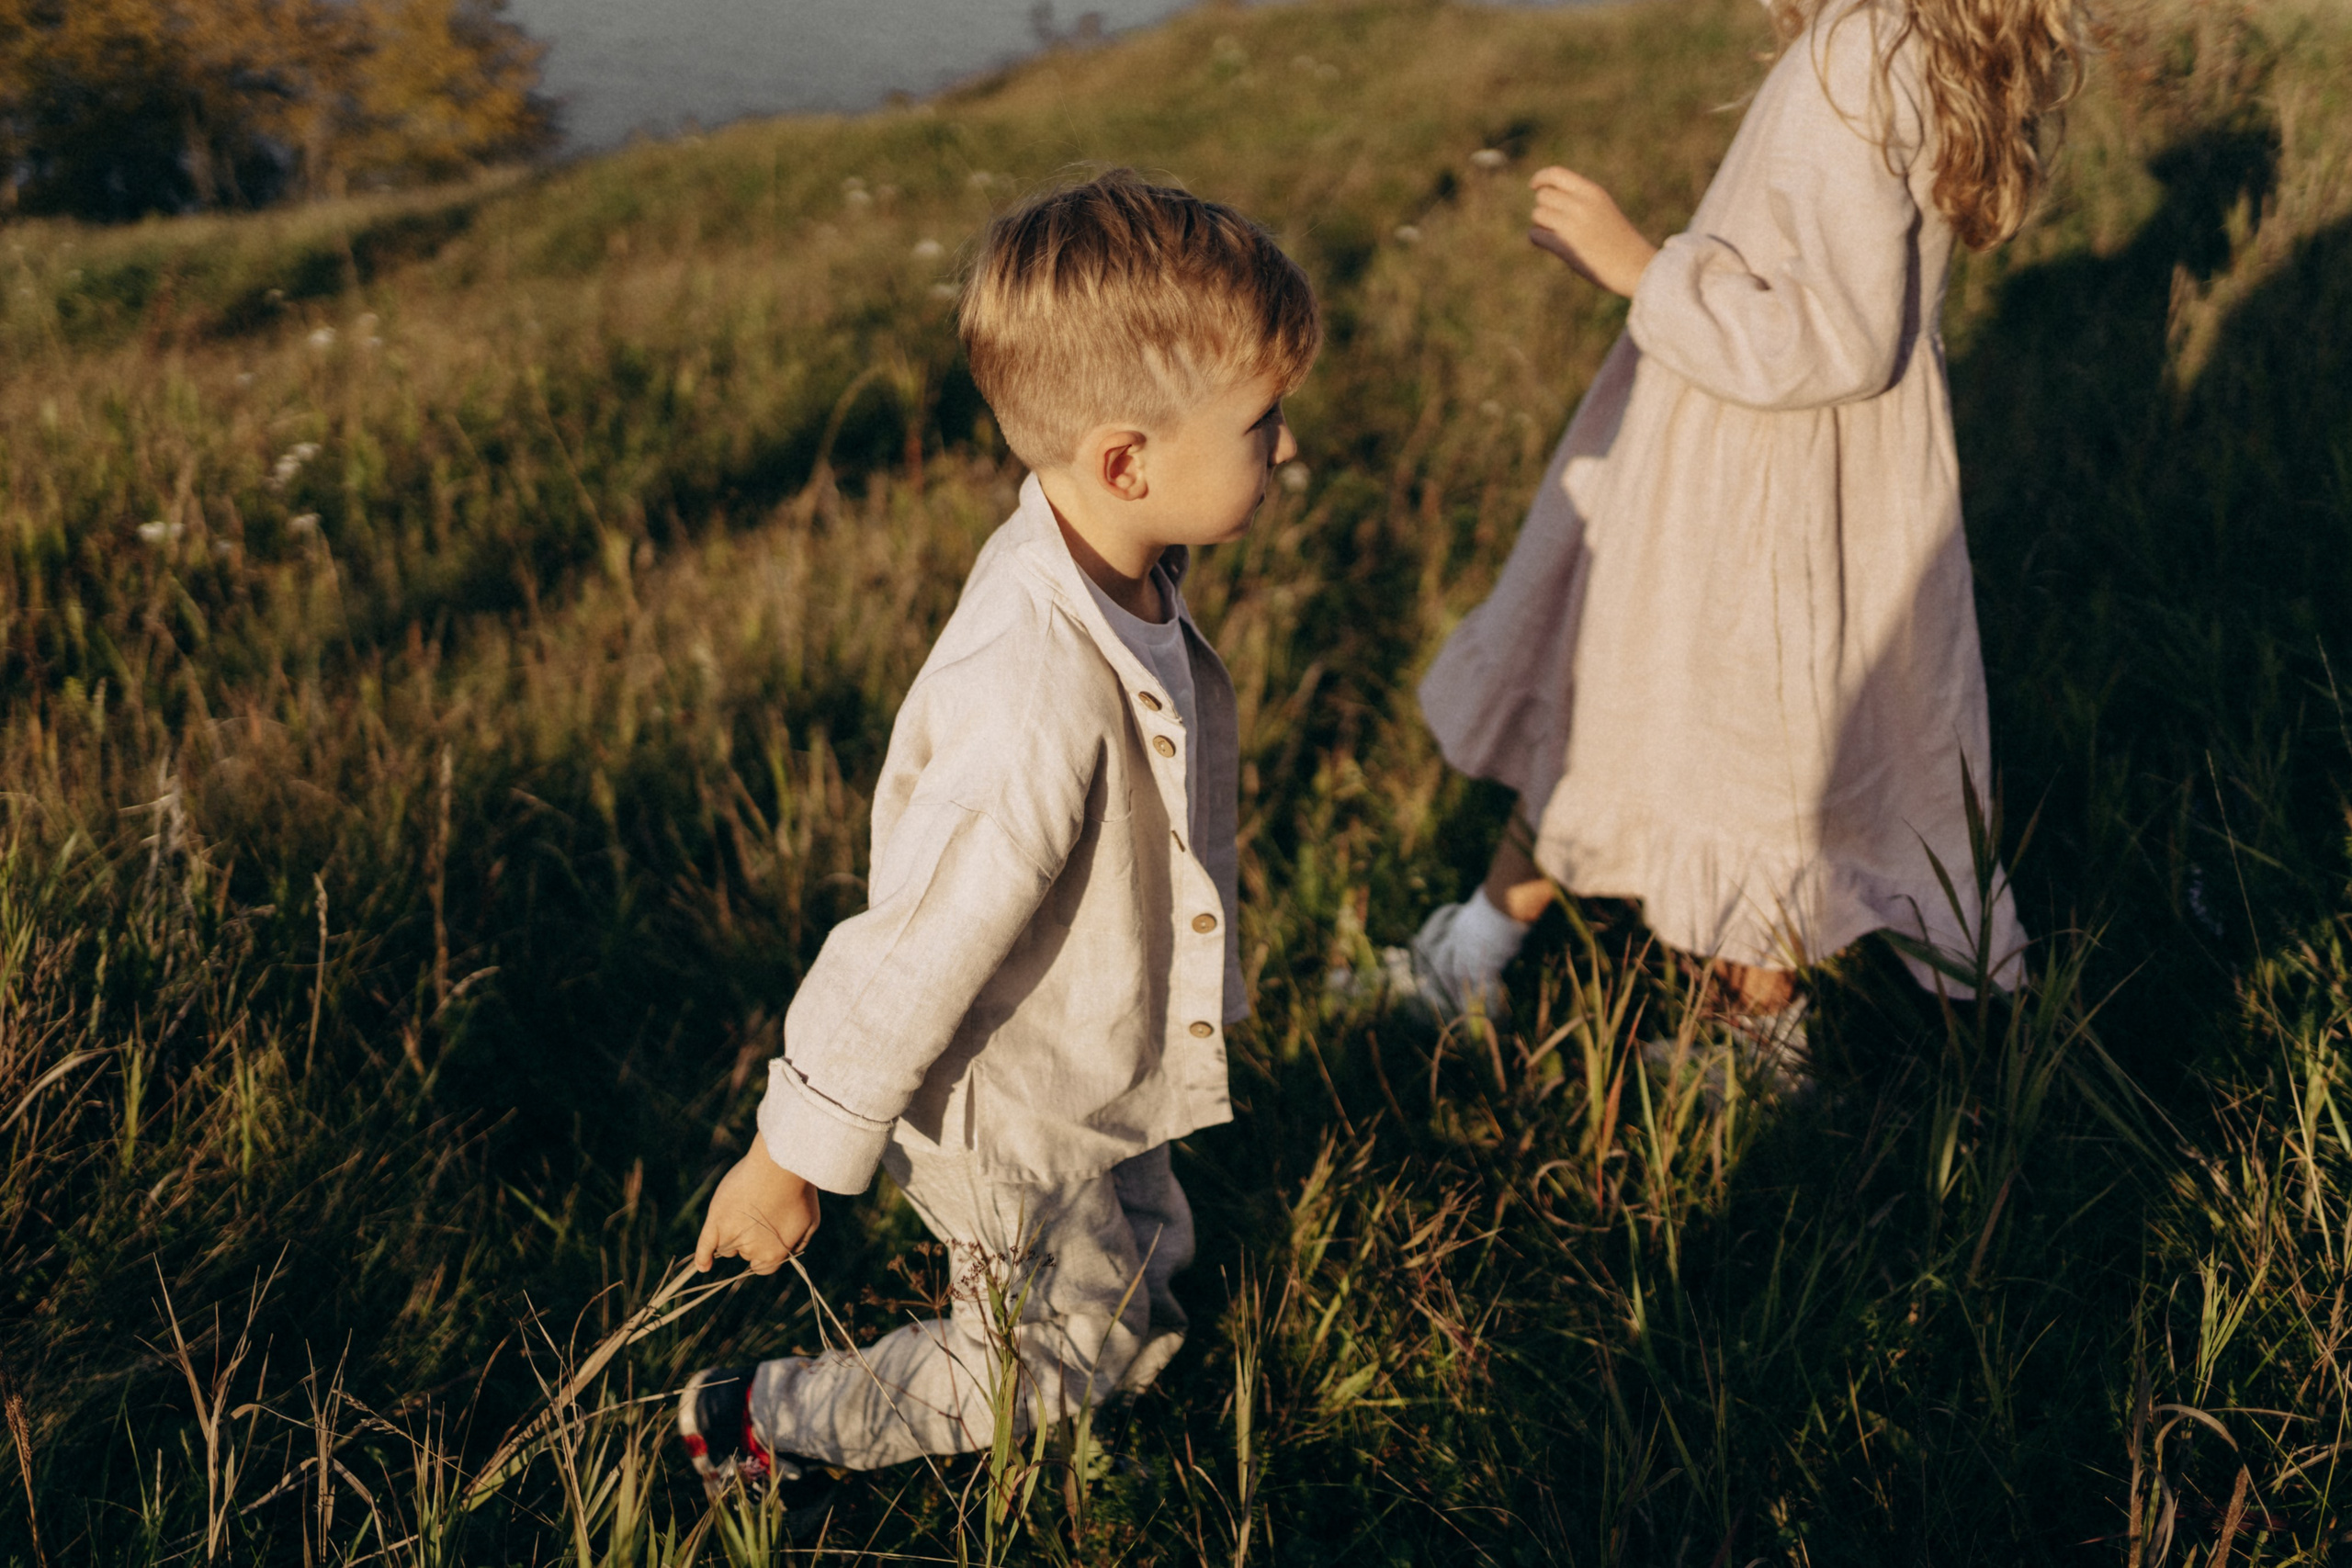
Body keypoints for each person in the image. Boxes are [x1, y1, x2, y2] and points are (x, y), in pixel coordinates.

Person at [674, 169, 1317, 1505]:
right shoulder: (1030, 688)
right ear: (1128, 459)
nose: (1289, 450)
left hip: (1087, 1049)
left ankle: (1104, 1358)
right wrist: (792, 1155)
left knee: (1139, 1252)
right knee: (1028, 1354)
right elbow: (914, 943)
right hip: (1012, 1101)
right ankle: (766, 1416)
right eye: (1264, 422)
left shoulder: (1114, 563)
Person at [1405, 0, 2085, 1043]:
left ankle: (1745, 1037)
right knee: (1695, 735)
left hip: (1757, 481)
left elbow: (1837, 339)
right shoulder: (1906, 45)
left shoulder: (1863, 51)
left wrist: (1637, 265)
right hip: (1786, 465)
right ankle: (1482, 959)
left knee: (1708, 746)